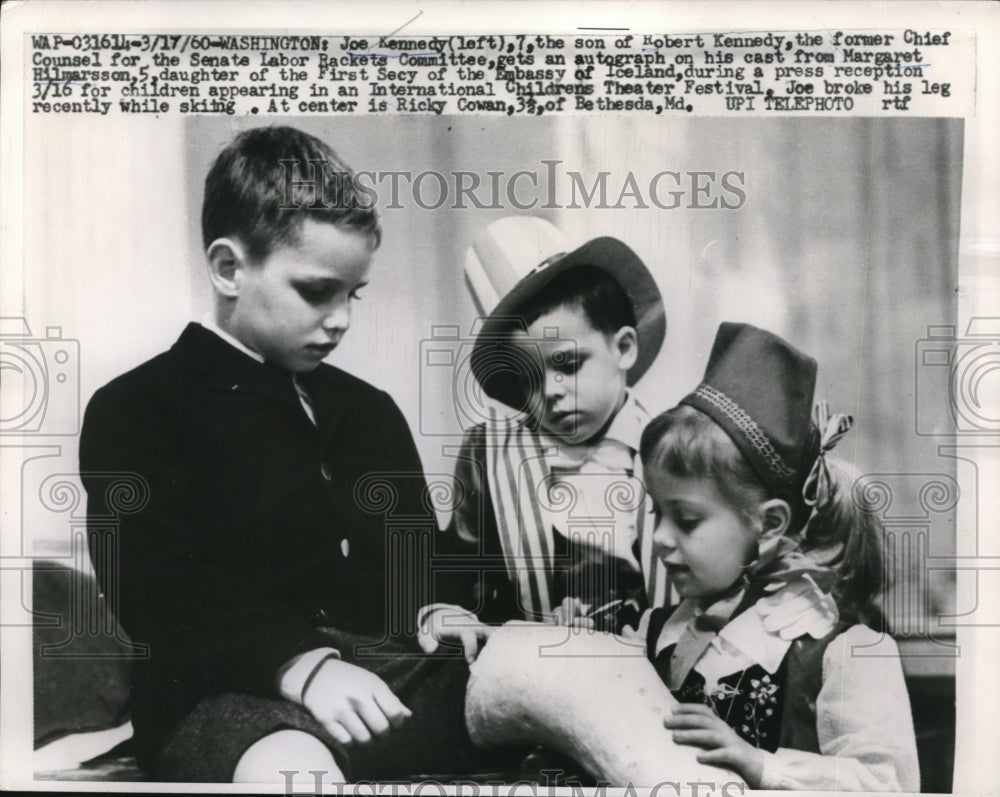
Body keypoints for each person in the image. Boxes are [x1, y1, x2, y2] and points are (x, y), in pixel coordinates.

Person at [79, 126, 499, 783]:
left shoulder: (369, 409)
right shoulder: (136, 408)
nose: (342, 320)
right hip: (223, 698)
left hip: (381, 683)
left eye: (352, 294)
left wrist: (433, 605)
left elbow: (414, 556)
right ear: (228, 268)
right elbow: (157, 589)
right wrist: (300, 664)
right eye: (316, 291)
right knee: (293, 772)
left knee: (549, 670)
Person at [637, 322, 920, 791]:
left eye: (686, 521)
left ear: (769, 523)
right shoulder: (654, 633)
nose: (660, 539)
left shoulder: (842, 651)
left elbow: (886, 784)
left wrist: (762, 765)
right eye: (656, 514)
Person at [420, 216, 671, 660]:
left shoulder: (675, 447)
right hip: (528, 670)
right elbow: (457, 570)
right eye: (530, 379)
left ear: (624, 348)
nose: (551, 391)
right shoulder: (489, 453)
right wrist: (445, 611)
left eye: (568, 364)